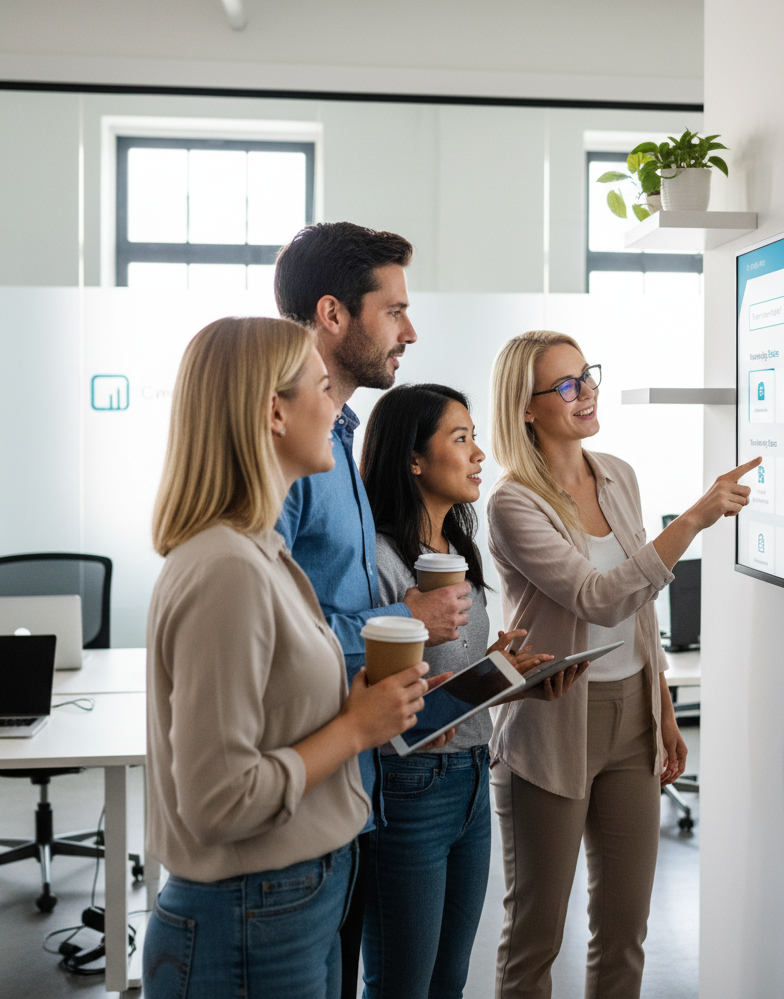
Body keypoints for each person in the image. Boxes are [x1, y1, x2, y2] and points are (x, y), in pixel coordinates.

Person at [142, 317, 435, 998]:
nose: (337, 410)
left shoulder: (259, 553)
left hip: (287, 902)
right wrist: (355, 729)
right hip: (252, 914)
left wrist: (367, 706)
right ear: (275, 411)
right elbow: (220, 801)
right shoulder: (227, 568)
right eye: (322, 388)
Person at [486, 330, 760, 998]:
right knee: (534, 940)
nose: (587, 393)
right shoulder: (513, 502)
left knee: (624, 932)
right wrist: (692, 520)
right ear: (526, 408)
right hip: (552, 724)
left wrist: (662, 710)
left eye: (588, 376)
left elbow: (640, 609)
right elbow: (598, 596)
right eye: (567, 385)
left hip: (632, 717)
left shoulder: (618, 474)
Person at [273, 222, 471, 997]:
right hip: (299, 797)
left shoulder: (339, 441)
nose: (409, 332)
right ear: (332, 314)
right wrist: (406, 620)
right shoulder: (288, 450)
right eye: (394, 311)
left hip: (350, 787)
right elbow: (270, 632)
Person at [357, 383, 580, 999]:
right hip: (408, 786)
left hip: (471, 777)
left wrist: (505, 677)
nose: (479, 454)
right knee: (402, 986)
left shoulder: (456, 550)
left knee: (448, 983)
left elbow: (447, 681)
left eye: (475, 437)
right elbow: (378, 691)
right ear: (413, 459)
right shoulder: (379, 559)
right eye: (461, 439)